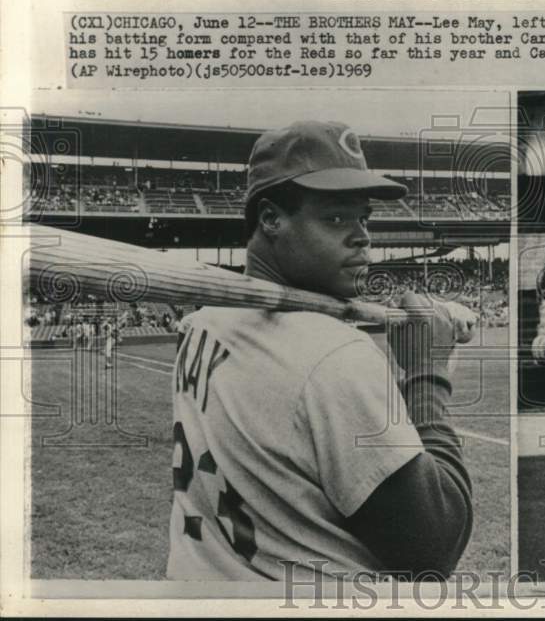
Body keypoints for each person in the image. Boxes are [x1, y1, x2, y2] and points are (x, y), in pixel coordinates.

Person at [168, 121, 474, 581]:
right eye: (335, 218)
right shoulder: (335, 356)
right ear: (271, 219)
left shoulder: (200, 323)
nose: (363, 237)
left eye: (363, 218)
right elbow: (435, 547)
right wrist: (426, 372)